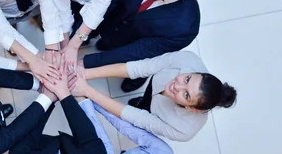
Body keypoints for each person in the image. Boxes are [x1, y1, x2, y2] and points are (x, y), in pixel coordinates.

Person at [82, 0, 208, 93]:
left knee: (139, 66)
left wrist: (85, 63)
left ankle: (137, 80)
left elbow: (137, 51)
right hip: (117, 21)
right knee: (106, 38)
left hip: (140, 50)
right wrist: (80, 33)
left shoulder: (186, 27)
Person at [74, 51, 237, 142]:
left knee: (140, 109)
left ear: (192, 108)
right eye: (186, 78)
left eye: (186, 94)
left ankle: (141, 102)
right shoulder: (187, 59)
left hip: (154, 113)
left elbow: (136, 117)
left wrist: (87, 91)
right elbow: (138, 68)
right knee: (144, 96)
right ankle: (141, 100)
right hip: (154, 85)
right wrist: (85, 74)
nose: (176, 86)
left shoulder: (184, 129)